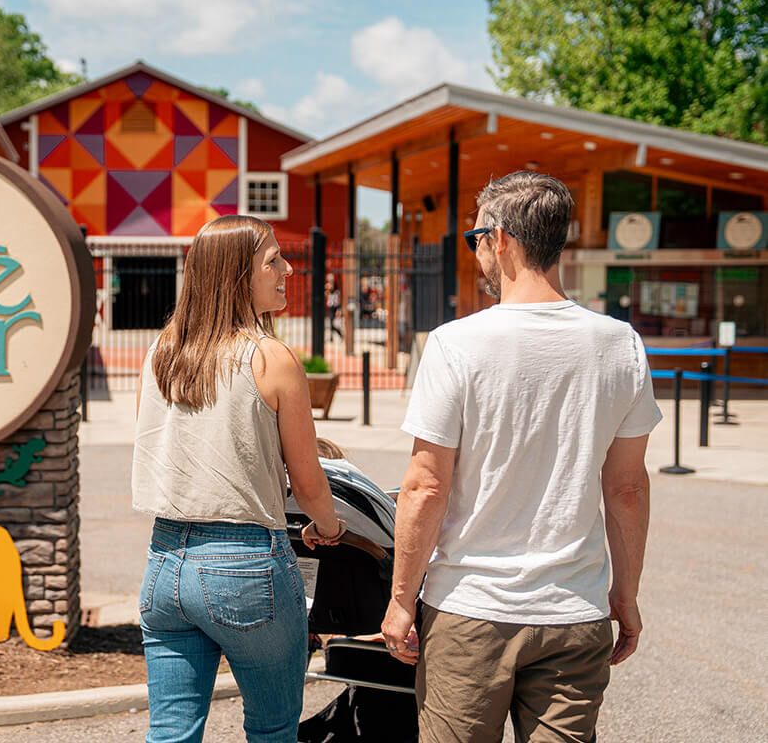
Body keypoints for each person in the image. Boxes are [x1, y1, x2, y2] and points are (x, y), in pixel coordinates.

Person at [381, 171, 661, 743]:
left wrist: (401, 600)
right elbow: (627, 488)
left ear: (500, 239)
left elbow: (426, 486)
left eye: (475, 238)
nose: (476, 252)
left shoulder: (455, 344)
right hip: (575, 610)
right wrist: (625, 595)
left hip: (469, 609)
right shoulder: (621, 344)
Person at [132, 214, 344, 743]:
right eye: (273, 260)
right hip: (245, 562)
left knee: (170, 733)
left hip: (165, 560)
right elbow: (308, 482)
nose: (287, 269)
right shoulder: (270, 357)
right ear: (236, 276)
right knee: (272, 729)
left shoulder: (162, 352)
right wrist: (329, 528)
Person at [325, 276, 343, 341]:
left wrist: (338, 310)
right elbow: (327, 299)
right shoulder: (329, 292)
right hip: (330, 308)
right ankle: (331, 337)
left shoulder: (336, 292)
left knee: (332, 324)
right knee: (330, 324)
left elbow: (338, 302)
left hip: (334, 308)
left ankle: (340, 333)